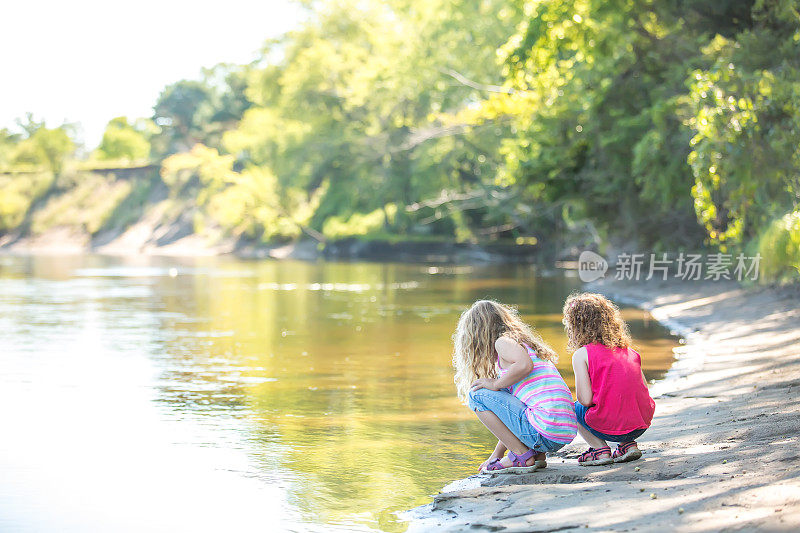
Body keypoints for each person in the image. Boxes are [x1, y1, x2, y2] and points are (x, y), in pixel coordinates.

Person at [453, 300, 577, 473]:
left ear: (479, 332)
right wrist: (495, 455)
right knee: (507, 398)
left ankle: (522, 456)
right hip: (560, 433)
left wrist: (495, 384)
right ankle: (535, 454)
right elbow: (510, 416)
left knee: (477, 394)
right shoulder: (523, 345)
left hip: (546, 430)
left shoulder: (502, 342)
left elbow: (525, 365)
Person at [563, 292, 655, 466]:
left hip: (610, 428)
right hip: (640, 424)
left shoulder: (582, 355)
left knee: (573, 407)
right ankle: (627, 445)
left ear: (575, 326)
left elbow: (585, 400)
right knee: (620, 400)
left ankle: (600, 449)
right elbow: (643, 389)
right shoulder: (630, 352)